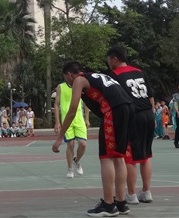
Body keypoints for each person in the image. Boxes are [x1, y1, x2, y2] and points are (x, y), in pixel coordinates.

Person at [53, 61, 134, 217]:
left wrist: (60, 137)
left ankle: (109, 205)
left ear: (69, 75)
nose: (67, 82)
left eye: (66, 78)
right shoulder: (96, 76)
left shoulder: (79, 80)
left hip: (113, 110)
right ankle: (121, 203)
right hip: (128, 108)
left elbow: (72, 110)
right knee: (119, 157)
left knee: (106, 157)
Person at [107, 45, 155, 205]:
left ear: (114, 59)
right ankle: (146, 191)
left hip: (133, 116)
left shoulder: (114, 75)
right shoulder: (140, 72)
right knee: (146, 155)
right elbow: (150, 96)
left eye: (109, 60)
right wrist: (151, 114)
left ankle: (131, 194)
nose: (108, 63)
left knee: (130, 158)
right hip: (148, 114)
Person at [54, 75, 89, 179]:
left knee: (83, 144)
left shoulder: (80, 85)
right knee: (71, 144)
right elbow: (56, 104)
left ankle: (76, 160)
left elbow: (86, 104)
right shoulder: (61, 87)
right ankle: (70, 169)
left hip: (79, 119)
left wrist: (87, 119)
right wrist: (57, 122)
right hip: (67, 120)